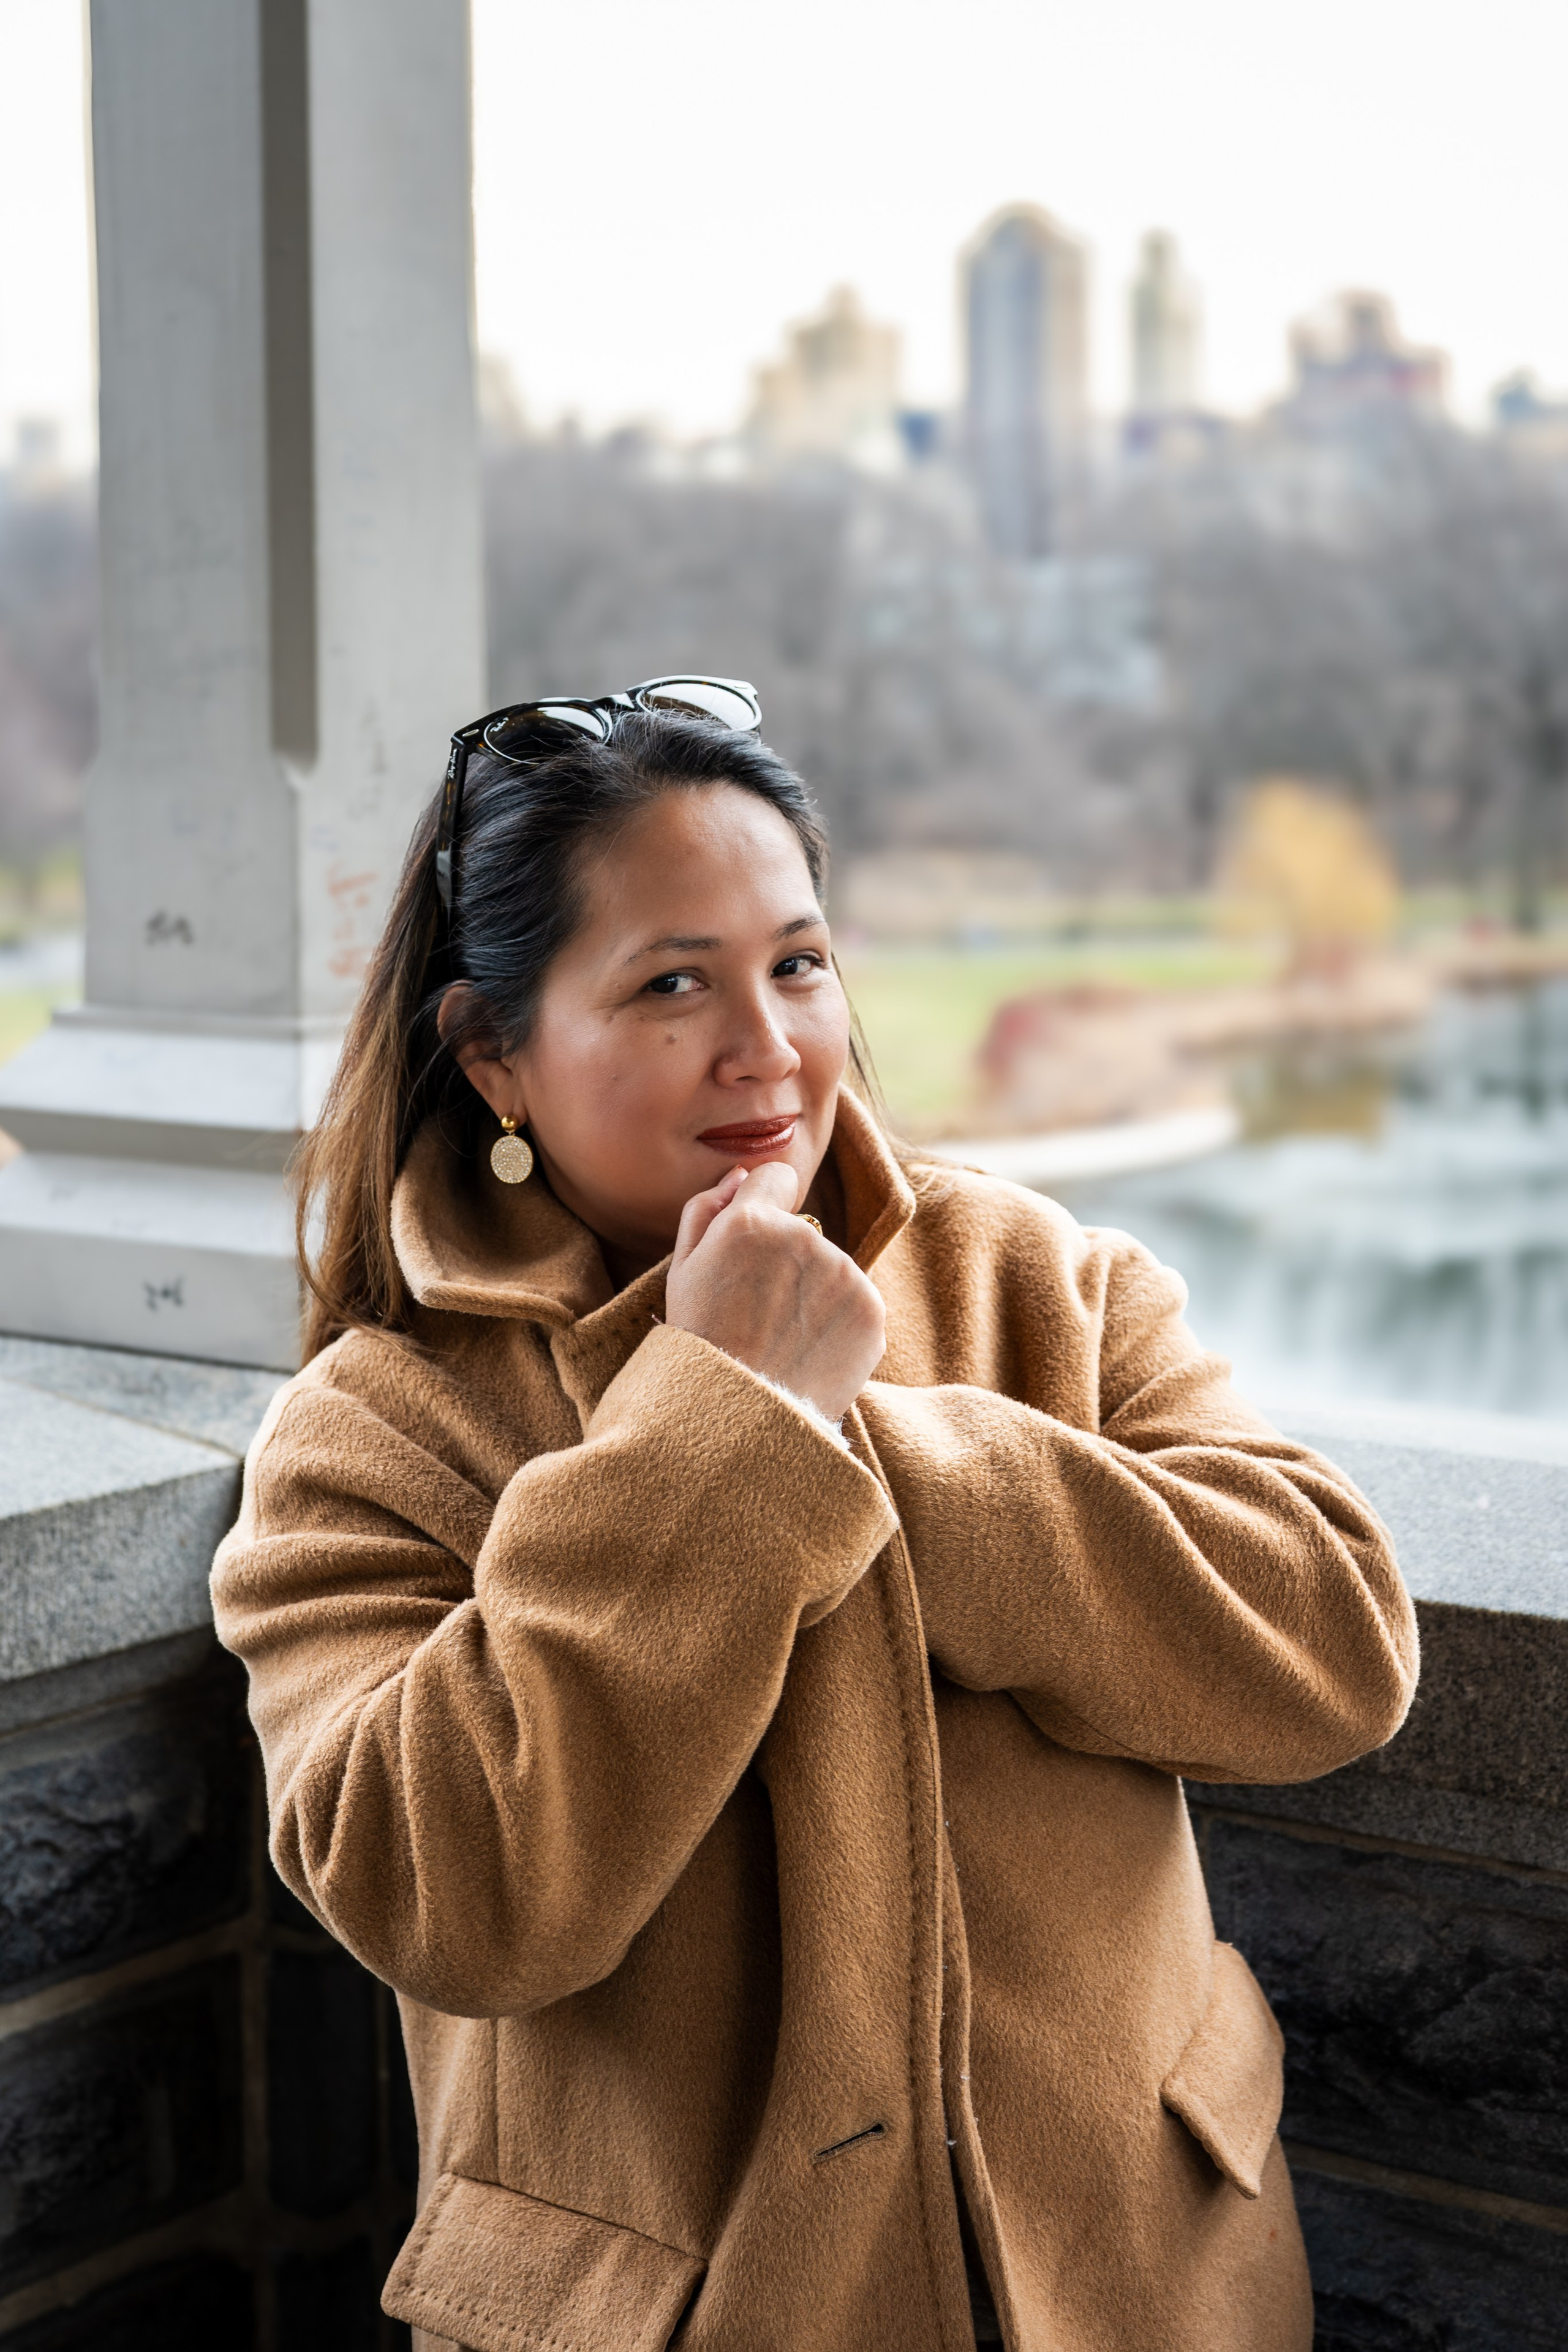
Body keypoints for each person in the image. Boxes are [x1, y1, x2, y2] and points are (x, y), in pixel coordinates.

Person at [211, 679, 1419, 2352]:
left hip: (1143, 2281)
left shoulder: (1038, 1279)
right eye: (670, 984)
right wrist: (727, 1433)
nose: (767, 1046)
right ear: (493, 1053)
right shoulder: (374, 1431)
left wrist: (889, 1460)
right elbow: (448, 1896)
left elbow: (1335, 1646)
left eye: (796, 961)